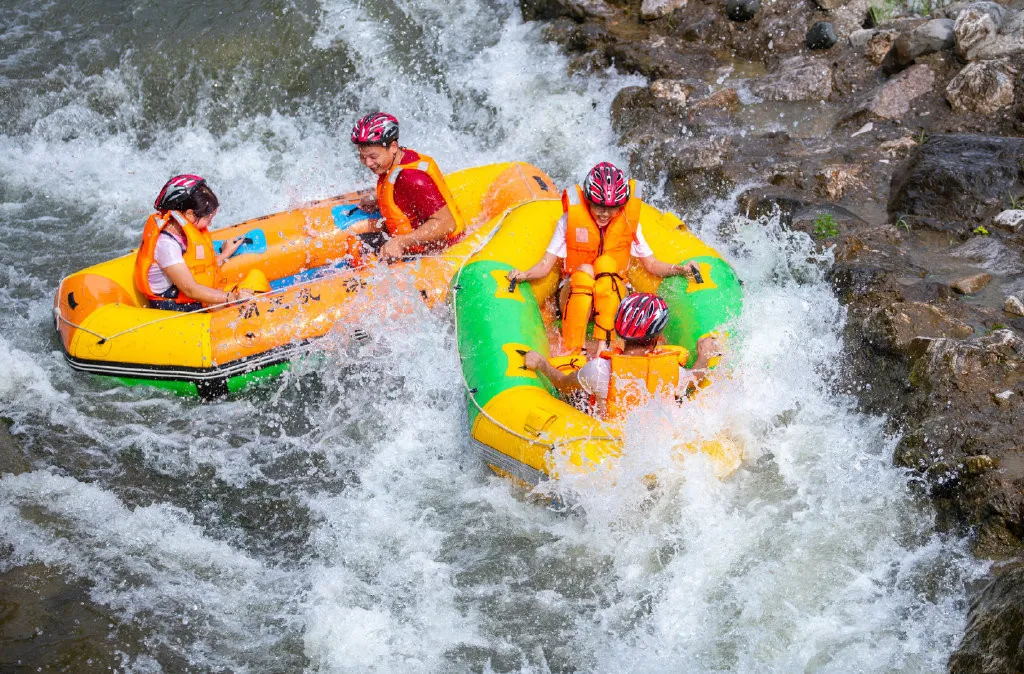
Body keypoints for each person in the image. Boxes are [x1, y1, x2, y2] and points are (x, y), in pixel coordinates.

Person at [507, 162, 700, 354]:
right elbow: (544, 265)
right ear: (589, 200)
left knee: (606, 266)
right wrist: (525, 274)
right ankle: (574, 349)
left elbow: (652, 264)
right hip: (574, 292)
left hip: (612, 294)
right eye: (599, 206)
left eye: (612, 207)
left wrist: (680, 269)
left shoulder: (629, 224)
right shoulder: (568, 221)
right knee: (585, 272)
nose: (604, 213)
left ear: (621, 205)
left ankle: (604, 348)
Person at [522, 293, 723, 420]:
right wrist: (704, 355)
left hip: (612, 448)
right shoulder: (673, 372)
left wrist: (541, 363)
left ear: (620, 333)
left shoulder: (600, 369)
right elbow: (695, 377)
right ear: (657, 338)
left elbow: (562, 383)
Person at [345, 112, 466, 261]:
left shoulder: (413, 179)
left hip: (436, 252)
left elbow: (446, 224)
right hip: (410, 241)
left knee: (356, 252)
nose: (368, 163)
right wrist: (379, 199)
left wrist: (400, 242)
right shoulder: (397, 160)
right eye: (363, 157)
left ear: (393, 146)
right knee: (353, 243)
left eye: (373, 157)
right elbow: (403, 194)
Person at [133, 174, 262, 312]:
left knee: (255, 276)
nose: (211, 222)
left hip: (190, 297)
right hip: (174, 307)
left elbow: (196, 268)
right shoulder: (167, 245)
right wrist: (232, 298)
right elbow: (190, 289)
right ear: (189, 214)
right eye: (208, 217)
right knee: (250, 302)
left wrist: (224, 255)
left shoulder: (181, 232)